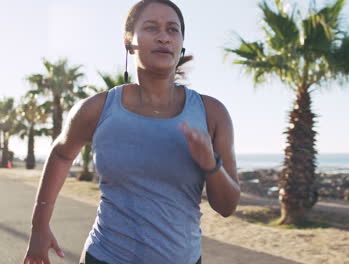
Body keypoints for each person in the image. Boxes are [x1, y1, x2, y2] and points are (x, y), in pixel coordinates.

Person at [23, 0, 240, 263]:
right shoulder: (97, 108)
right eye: (151, 28)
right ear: (129, 41)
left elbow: (227, 207)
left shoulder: (212, 113)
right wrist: (39, 226)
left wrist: (211, 164)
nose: (163, 37)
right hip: (104, 256)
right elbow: (61, 154)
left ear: (181, 44)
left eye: (172, 29)